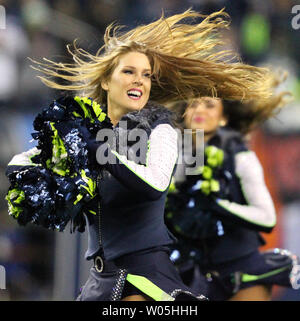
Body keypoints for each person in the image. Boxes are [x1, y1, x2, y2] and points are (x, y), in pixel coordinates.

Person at [5, 9, 282, 301]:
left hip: (144, 280)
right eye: (129, 72)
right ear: (106, 81)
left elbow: (154, 185)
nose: (140, 81)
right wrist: (55, 153)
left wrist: (100, 151)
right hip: (100, 282)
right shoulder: (85, 131)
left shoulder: (161, 129)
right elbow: (19, 165)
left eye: (146, 75)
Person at [165, 92, 300, 301]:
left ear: (223, 117)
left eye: (209, 105)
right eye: (193, 105)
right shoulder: (172, 161)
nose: (199, 110)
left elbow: (267, 218)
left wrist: (217, 204)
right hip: (193, 278)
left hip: (242, 274)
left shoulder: (242, 157)